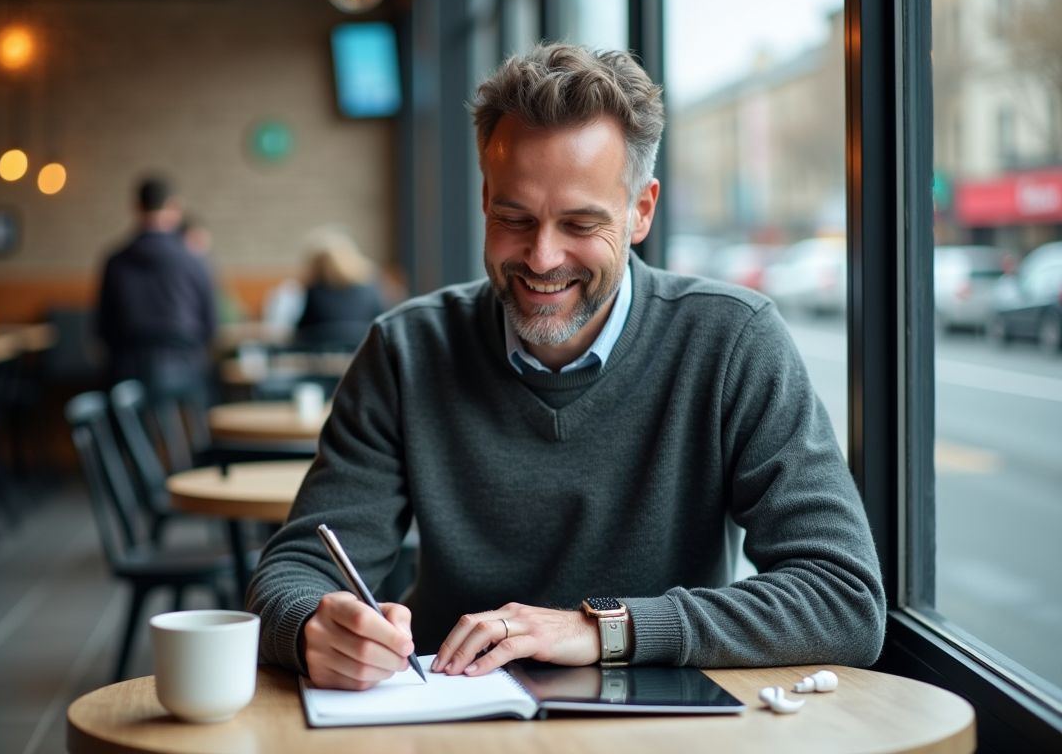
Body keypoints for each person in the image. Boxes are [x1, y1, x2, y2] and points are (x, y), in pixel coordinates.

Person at [247, 44, 884, 691]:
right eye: (514, 219)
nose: (543, 257)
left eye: (580, 223)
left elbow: (844, 599)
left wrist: (605, 628)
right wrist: (310, 628)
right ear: (486, 200)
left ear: (642, 211)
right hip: (454, 722)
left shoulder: (732, 342)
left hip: (660, 734)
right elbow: (292, 572)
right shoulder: (405, 350)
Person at [95, 176, 218, 398]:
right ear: (175, 208)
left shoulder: (114, 262)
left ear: (135, 207)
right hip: (186, 375)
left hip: (127, 376)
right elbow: (211, 326)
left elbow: (103, 329)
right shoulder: (194, 261)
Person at [294, 230, 386, 350]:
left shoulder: (315, 291)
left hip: (324, 355)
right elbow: (382, 316)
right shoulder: (371, 285)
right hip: (365, 351)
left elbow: (302, 328)